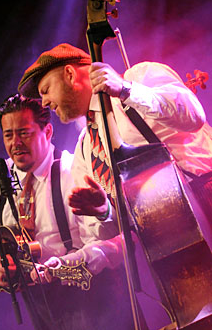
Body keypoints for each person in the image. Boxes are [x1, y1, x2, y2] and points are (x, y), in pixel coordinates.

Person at [0, 94, 165, 330]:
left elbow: (115, 241)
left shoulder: (73, 171)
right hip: (45, 311)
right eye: (8, 134)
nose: (15, 143)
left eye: (24, 132)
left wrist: (59, 267)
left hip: (97, 302)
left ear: (47, 131)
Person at [17, 43, 212, 230]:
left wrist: (126, 90)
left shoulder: (138, 76)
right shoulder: (84, 150)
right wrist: (104, 212)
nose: (44, 103)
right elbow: (102, 233)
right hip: (168, 231)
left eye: (46, 91)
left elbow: (194, 116)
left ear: (69, 74)